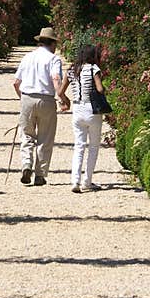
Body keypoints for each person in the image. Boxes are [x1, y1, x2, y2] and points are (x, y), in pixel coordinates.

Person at [13, 27, 65, 186]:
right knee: (45, 138)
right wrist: (62, 97)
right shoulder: (53, 59)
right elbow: (55, 78)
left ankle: (26, 164)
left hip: (27, 98)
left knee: (26, 135)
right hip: (46, 100)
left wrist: (23, 99)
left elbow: (16, 83)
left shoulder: (27, 57)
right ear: (52, 43)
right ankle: (40, 174)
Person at [57, 44, 105, 193]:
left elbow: (60, 92)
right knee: (93, 147)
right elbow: (100, 89)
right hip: (92, 110)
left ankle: (75, 181)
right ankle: (87, 181)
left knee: (79, 146)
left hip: (77, 110)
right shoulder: (93, 69)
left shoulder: (72, 70)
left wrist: (67, 101)